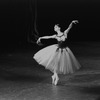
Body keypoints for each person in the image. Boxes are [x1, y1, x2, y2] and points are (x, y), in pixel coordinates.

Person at [33, 20, 81, 85]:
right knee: (56, 63)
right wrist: (40, 38)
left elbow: (69, 27)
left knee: (58, 64)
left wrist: (72, 22)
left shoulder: (65, 33)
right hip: (57, 50)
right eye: (54, 27)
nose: (54, 28)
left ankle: (54, 76)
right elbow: (48, 37)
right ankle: (56, 76)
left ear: (59, 28)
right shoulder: (55, 36)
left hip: (64, 51)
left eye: (55, 27)